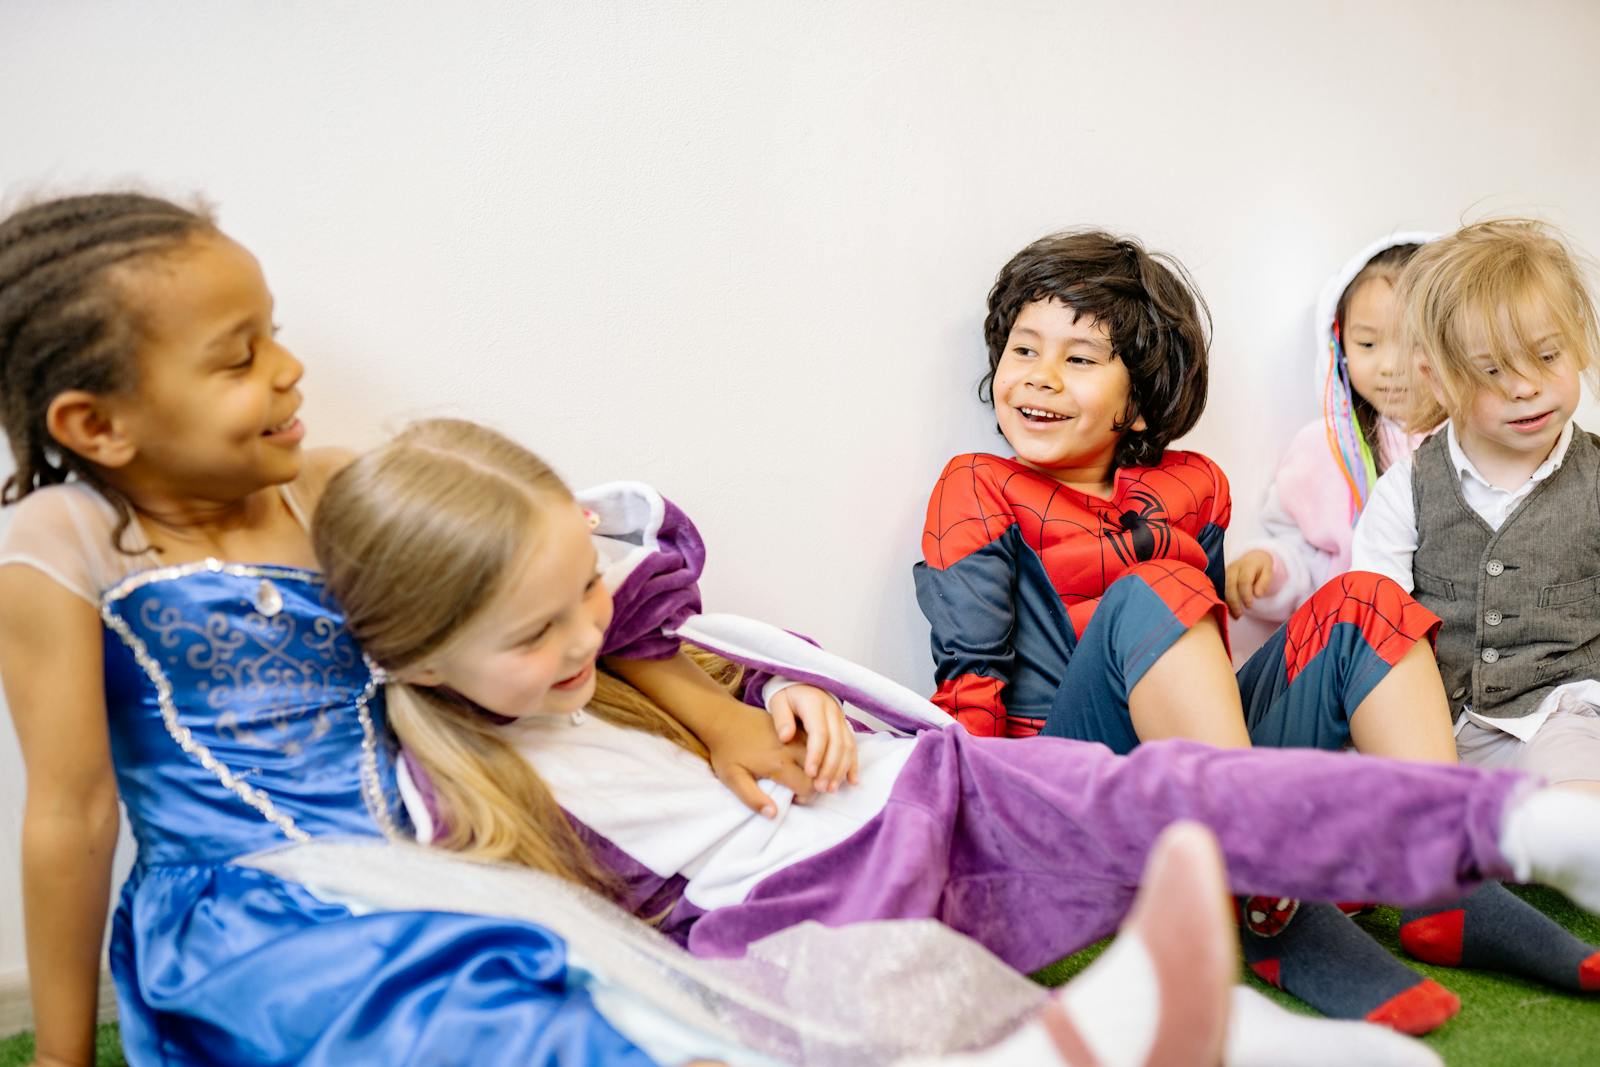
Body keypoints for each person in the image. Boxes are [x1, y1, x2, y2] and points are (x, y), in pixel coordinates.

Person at [0, 190, 1275, 1067]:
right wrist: (66, 1049)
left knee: (750, 884)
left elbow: (555, 605)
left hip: (437, 807)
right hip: (264, 900)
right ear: (94, 425)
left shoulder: (325, 483)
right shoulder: (63, 553)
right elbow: (69, 811)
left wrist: (716, 712)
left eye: (274, 333)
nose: (286, 368)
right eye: (238, 356)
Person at [313, 416, 1600, 1066]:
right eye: (538, 628)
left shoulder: (631, 639)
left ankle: (1507, 830)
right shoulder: (451, 790)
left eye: (583, 593)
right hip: (819, 909)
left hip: (930, 779)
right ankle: (1215, 1020)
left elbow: (660, 597)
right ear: (421, 655)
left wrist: (759, 705)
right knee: (877, 1004)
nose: (587, 627)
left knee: (1159, 786)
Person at [911, 229, 1597, 1029]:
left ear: (1137, 396)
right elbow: (970, 679)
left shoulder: (1195, 485)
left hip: (1190, 779)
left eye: (1078, 358)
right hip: (1060, 787)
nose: (1040, 376)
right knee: (1159, 586)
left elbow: (1197, 661)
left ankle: (1443, 880)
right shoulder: (975, 485)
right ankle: (1270, 900)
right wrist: (959, 842)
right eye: (1023, 349)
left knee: (1367, 596)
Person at [1227, 233, 1434, 622]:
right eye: (1368, 345)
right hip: (1360, 649)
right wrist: (1269, 569)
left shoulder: (1481, 445)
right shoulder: (1325, 448)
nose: (1390, 366)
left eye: (1414, 343)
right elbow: (1306, 557)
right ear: (1339, 346)